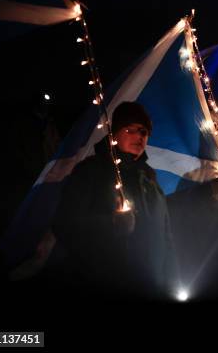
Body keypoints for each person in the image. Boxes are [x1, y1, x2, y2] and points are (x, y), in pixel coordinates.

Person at [52, 102, 172, 299]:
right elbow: (64, 224)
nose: (138, 136)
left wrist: (170, 281)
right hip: (106, 287)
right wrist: (111, 223)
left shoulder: (149, 178)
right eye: (129, 129)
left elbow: (166, 234)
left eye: (143, 131)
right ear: (114, 134)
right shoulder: (90, 170)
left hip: (153, 288)